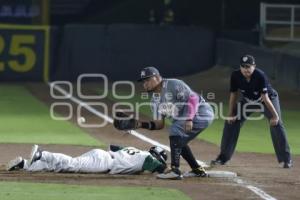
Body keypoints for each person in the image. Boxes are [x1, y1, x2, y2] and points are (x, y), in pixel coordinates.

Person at [211, 55, 292, 168]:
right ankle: (223, 158)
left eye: (248, 66)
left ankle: (286, 159)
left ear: (254, 66)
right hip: (248, 102)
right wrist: (230, 114)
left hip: (266, 100)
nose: (245, 69)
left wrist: (275, 116)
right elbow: (233, 94)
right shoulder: (235, 75)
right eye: (243, 66)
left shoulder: (260, 75)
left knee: (276, 123)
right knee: (231, 122)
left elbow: (265, 98)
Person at [135, 66, 214, 180]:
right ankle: (197, 170)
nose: (145, 84)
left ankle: (175, 170)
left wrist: (189, 118)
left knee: (175, 130)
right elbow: (159, 124)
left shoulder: (173, 84)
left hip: (202, 111)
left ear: (157, 77)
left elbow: (194, 98)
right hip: (187, 118)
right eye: (143, 81)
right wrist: (140, 124)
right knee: (178, 141)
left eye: (148, 80)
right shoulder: (154, 101)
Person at [7, 144, 168, 174]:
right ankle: (43, 154)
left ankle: (25, 164)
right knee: (72, 164)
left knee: (65, 168)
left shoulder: (136, 150)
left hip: (101, 155)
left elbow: (113, 146)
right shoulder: (148, 159)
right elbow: (161, 169)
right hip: (104, 163)